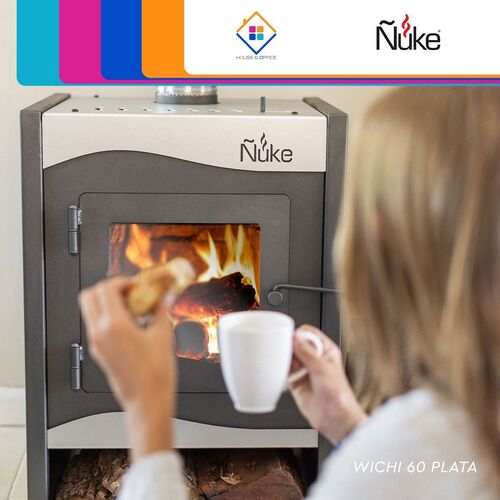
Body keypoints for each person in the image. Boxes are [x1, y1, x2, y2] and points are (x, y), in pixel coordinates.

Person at [79, 88, 499, 499]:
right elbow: (421, 476)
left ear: (380, 236)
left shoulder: (424, 439)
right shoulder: (461, 428)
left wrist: (148, 413)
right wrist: (349, 426)